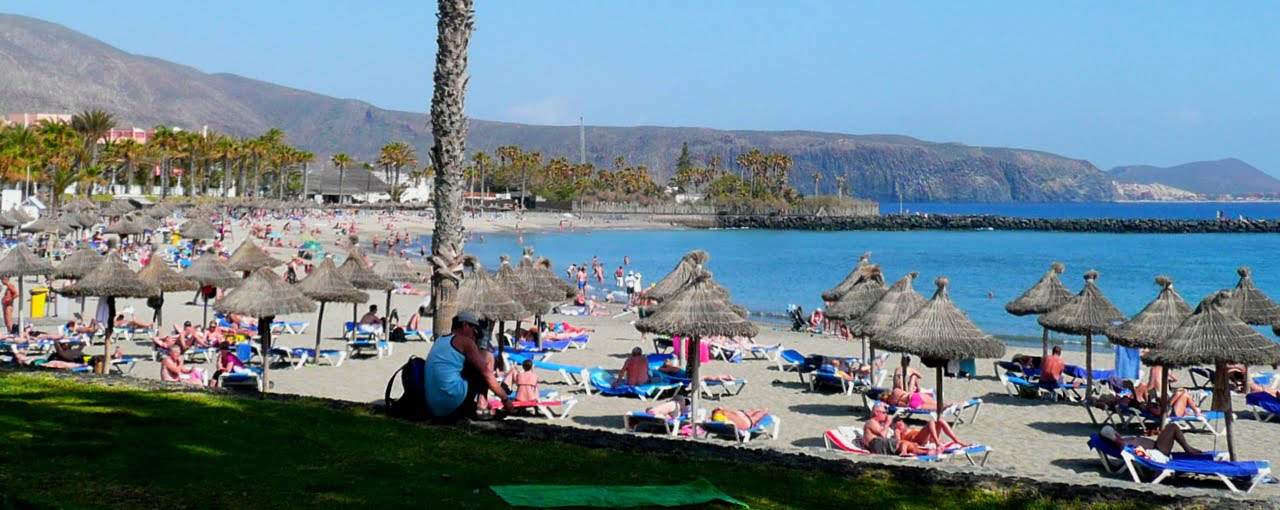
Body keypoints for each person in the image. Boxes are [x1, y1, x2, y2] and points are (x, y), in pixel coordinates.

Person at [423, 312, 514, 422]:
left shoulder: (441, 340)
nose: (473, 337)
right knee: (487, 357)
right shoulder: (464, 341)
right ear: (465, 325)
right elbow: (487, 374)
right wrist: (505, 399)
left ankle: (479, 404)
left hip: (434, 405)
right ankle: (482, 405)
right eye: (474, 332)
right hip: (451, 400)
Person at [1099, 424, 1202, 461]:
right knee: (1172, 427)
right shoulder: (1122, 443)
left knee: (1169, 427)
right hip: (1158, 451)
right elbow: (1125, 449)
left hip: (1157, 447)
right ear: (1115, 435)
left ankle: (1188, 449)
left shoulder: (1122, 441)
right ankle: (1188, 449)